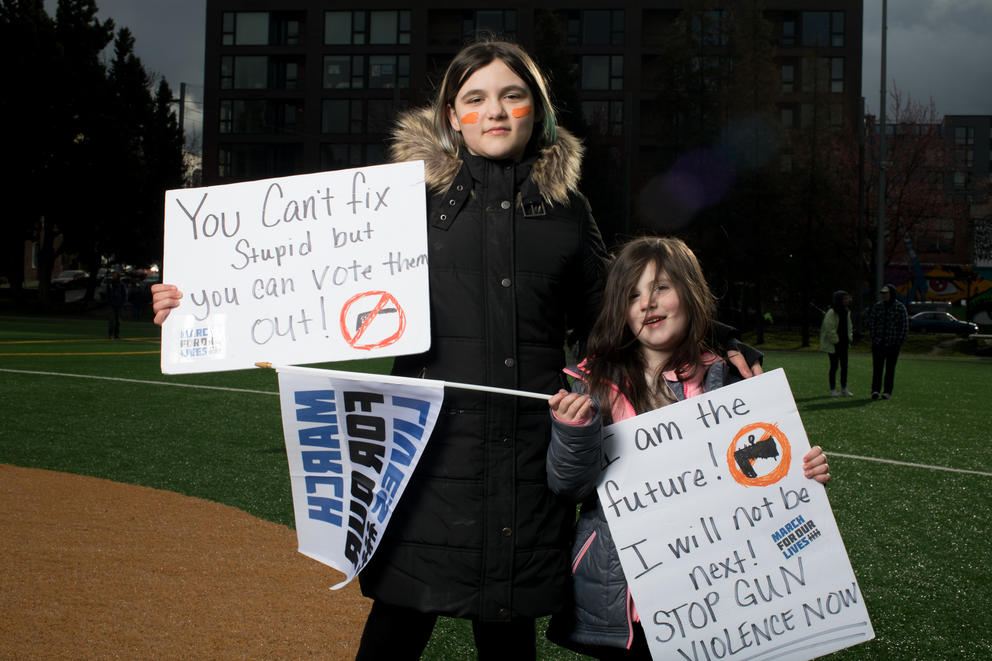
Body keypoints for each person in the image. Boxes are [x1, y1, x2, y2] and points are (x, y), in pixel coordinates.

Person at [151, 40, 762, 659]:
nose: (494, 111)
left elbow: (611, 315)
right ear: (452, 115)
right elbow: (298, 284)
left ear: (536, 111)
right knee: (394, 629)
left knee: (507, 639)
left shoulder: (567, 212)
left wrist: (713, 338)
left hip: (526, 468)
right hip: (423, 463)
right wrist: (199, 303)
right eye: (475, 98)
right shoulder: (396, 205)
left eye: (512, 95)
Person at [544, 237, 831, 659]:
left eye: (661, 287)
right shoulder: (591, 383)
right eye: (633, 294)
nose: (647, 303)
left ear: (690, 292)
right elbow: (570, 487)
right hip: (625, 600)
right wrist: (573, 431)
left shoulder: (729, 380)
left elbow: (764, 478)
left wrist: (803, 471)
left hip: (717, 593)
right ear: (620, 310)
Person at [867, 283, 908, 400]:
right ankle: (875, 390)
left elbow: (904, 326)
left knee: (890, 369)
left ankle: (887, 391)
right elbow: (872, 324)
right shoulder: (877, 307)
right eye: (882, 293)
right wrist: (874, 338)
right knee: (877, 368)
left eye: (886, 293)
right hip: (878, 343)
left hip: (893, 344)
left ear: (892, 294)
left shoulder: (900, 307)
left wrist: (899, 341)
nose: (884, 295)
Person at [819, 290, 853, 397]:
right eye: (844, 299)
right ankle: (833, 389)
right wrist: (836, 340)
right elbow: (829, 328)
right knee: (834, 367)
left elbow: (849, 326)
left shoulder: (846, 311)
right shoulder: (831, 312)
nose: (847, 300)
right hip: (834, 345)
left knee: (844, 367)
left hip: (844, 343)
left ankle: (844, 388)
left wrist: (850, 338)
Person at [105, 271, 127, 340]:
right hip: (111, 304)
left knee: (117, 321)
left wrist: (122, 303)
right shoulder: (110, 284)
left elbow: (124, 294)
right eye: (113, 275)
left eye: (115, 275)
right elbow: (107, 294)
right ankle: (111, 334)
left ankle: (116, 334)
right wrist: (108, 302)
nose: (114, 277)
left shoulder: (121, 284)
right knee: (111, 320)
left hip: (119, 304)